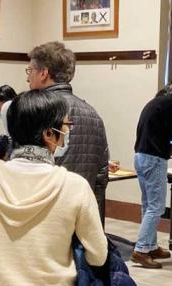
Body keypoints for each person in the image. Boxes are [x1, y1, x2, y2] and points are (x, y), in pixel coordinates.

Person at [0, 90, 108, 286]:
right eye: (66, 127)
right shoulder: (74, 186)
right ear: (48, 134)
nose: (67, 134)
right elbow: (98, 256)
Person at [26, 41, 109, 208]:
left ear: (43, 73)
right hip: (81, 208)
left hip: (42, 211)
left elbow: (25, 167)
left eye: (30, 71)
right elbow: (101, 174)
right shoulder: (93, 114)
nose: (28, 77)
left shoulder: (34, 111)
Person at [130, 79, 172, 268]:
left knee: (148, 204)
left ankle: (150, 246)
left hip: (140, 156)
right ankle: (141, 250)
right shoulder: (171, 104)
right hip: (154, 158)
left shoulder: (156, 102)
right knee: (156, 207)